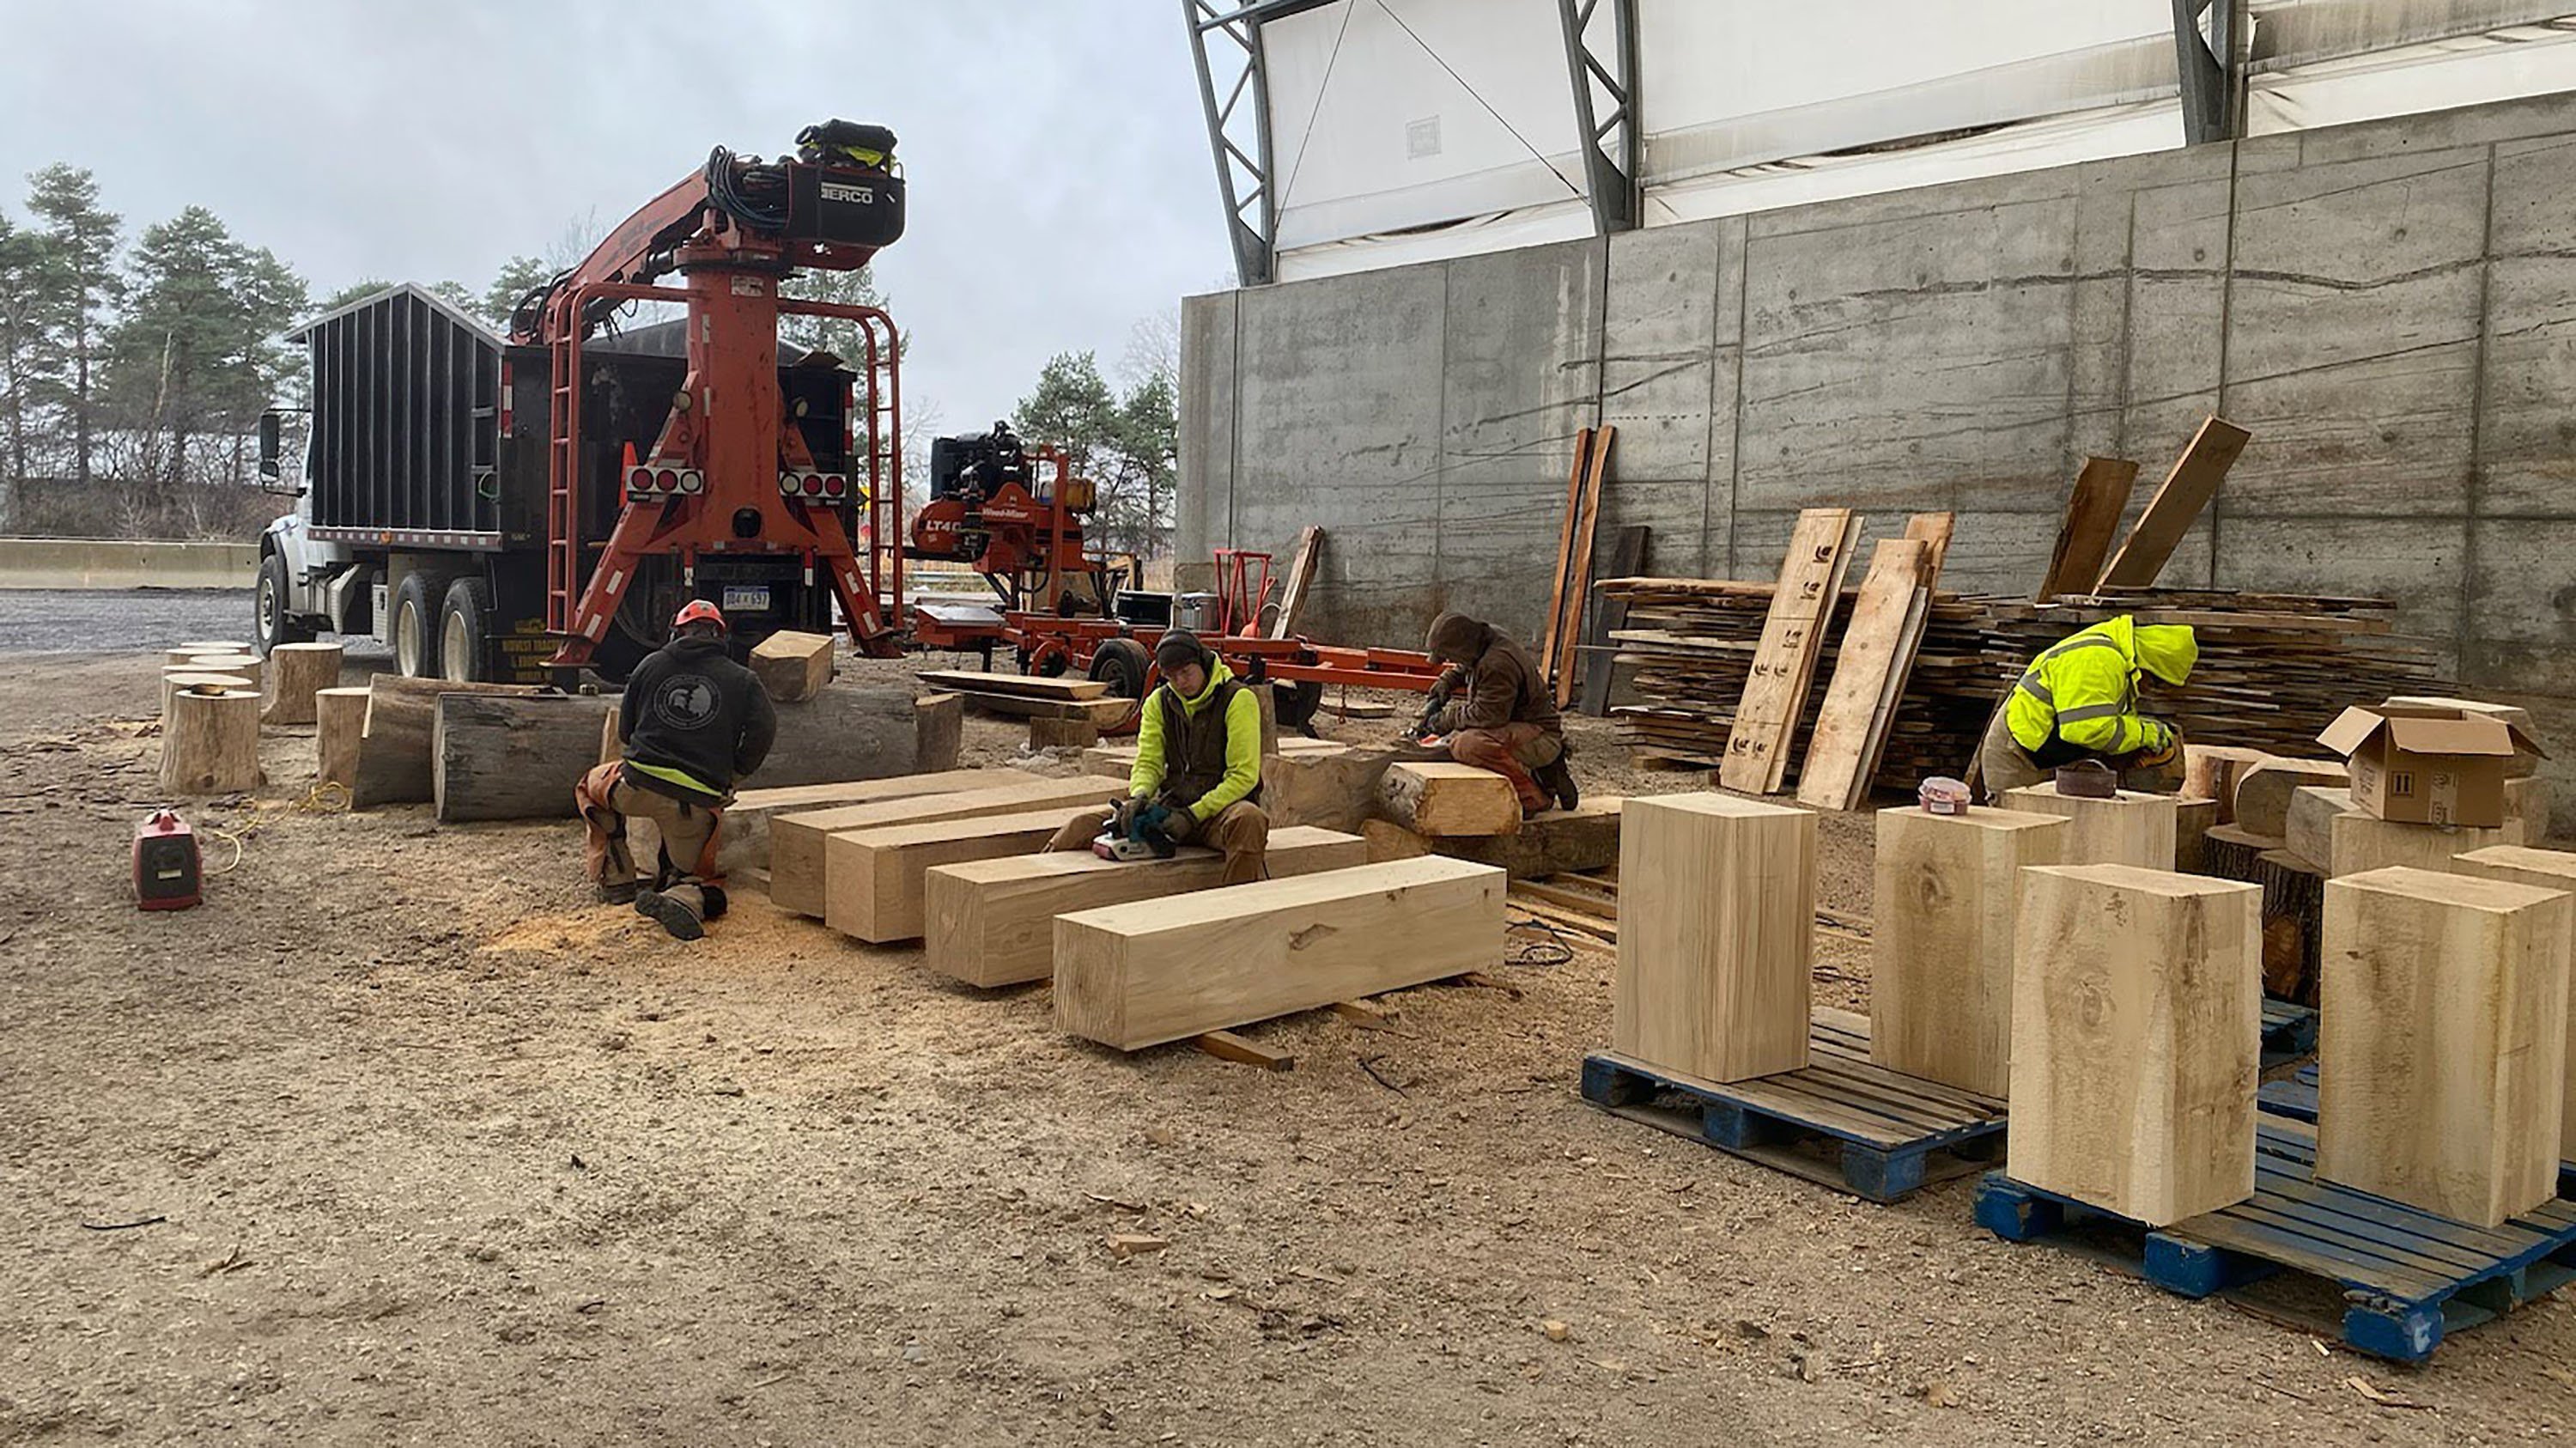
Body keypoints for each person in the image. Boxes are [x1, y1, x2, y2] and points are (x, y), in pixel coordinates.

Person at [574, 600, 778, 940]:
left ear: (677, 632)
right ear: (720, 636)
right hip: (696, 803)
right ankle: (684, 895)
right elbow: (764, 731)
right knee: (690, 874)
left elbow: (626, 731)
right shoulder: (743, 679)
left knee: (589, 788)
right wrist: (735, 773)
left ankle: (617, 880)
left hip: (635, 788)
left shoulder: (649, 665)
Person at [1048, 630, 1269, 885]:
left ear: (1203, 662)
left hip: (1220, 813)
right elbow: (1148, 762)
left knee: (1250, 820)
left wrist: (1193, 815)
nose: (1181, 682)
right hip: (1171, 810)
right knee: (1079, 827)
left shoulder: (1238, 699)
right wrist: (1139, 796)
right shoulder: (1158, 702)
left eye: (1186, 673)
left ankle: (1235, 907)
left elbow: (1243, 776)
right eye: (1171, 677)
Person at [1976, 614, 2196, 800]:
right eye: (2156, 681)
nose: (2151, 689)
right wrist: (2145, 733)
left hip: (2047, 754)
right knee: (2020, 840)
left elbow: (2108, 722)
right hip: (2018, 756)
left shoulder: (2120, 665)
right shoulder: (2098, 659)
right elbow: (2085, 729)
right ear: (2150, 664)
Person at [1420, 611, 1577, 816]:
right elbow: (1465, 664)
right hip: (1518, 725)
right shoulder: (1488, 637)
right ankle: (1547, 772)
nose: (1449, 659)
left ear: (1463, 647)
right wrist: (1447, 681)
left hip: (1541, 735)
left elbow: (1487, 716)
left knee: (1469, 745)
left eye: (1449, 655)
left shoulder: (1497, 664)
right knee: (1454, 742)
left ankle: (1531, 797)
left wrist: (1447, 719)